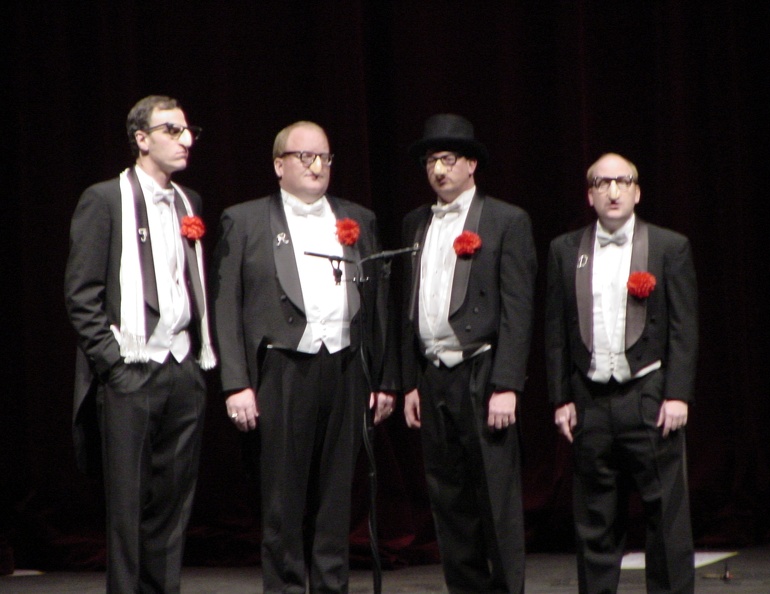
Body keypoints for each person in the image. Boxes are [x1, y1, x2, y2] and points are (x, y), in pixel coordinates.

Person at [210, 121, 398, 593]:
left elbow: (380, 305)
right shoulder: (246, 219)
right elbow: (226, 306)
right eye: (305, 157)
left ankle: (332, 586)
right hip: (282, 369)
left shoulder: (358, 218)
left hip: (346, 366)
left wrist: (385, 379)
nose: (317, 166)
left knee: (336, 495)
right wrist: (236, 383)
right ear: (279, 165)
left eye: (324, 157)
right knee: (283, 497)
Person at [65, 95, 215, 593]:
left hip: (182, 367)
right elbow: (81, 294)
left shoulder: (189, 201)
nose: (186, 139)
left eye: (188, 130)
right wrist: (113, 365)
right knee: (127, 507)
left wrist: (194, 361)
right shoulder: (105, 199)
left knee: (173, 505)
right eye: (173, 130)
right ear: (142, 139)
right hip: (131, 369)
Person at [546, 152, 698, 593]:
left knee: (666, 515)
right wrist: (561, 398)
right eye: (602, 183)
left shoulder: (669, 246)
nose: (613, 191)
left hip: (648, 395)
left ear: (637, 191)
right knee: (594, 518)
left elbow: (684, 327)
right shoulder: (565, 249)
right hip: (590, 399)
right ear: (589, 194)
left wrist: (678, 394)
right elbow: (555, 330)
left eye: (622, 182)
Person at [401, 113, 537, 594]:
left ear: (471, 164)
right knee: (448, 498)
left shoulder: (504, 220)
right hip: (434, 373)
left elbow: (518, 308)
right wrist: (411, 381)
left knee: (495, 497)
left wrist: (507, 385)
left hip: (482, 370)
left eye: (447, 159)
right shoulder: (416, 223)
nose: (438, 170)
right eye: (430, 161)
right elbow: (408, 306)